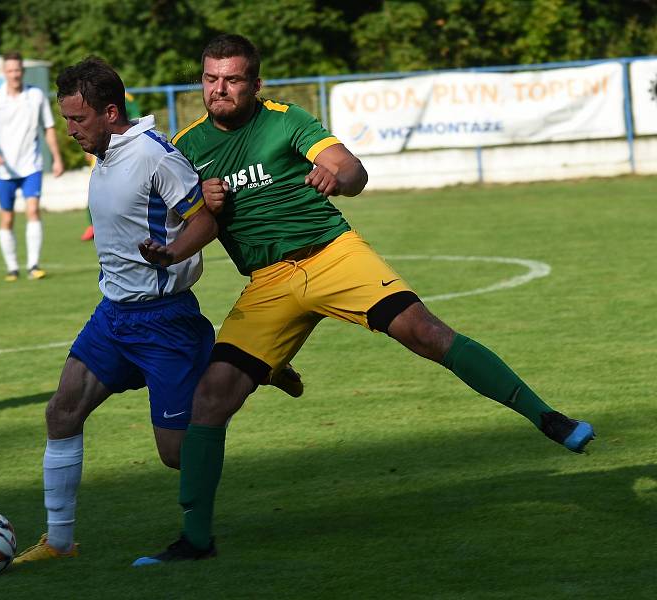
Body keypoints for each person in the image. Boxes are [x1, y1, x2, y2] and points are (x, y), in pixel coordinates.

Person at [133, 34, 596, 565]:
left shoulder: (286, 119)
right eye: (212, 79)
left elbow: (352, 168)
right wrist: (170, 253)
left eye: (233, 79)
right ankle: (195, 540)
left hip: (332, 256)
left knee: (427, 333)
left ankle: (548, 418)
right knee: (210, 401)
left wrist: (338, 176)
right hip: (267, 283)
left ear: (255, 84)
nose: (221, 89)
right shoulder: (189, 145)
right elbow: (205, 221)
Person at [11, 56, 219, 564]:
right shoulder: (105, 153)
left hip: (166, 321)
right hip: (114, 316)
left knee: (175, 455)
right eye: (65, 120)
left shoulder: (154, 155)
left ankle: (240, 367)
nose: (70, 130)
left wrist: (172, 253)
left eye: (78, 120)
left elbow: (207, 219)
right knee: (62, 412)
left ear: (110, 112)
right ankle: (59, 543)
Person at [0, 51, 64, 281]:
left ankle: (33, 265)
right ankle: (12, 268)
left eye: (17, 70)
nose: (14, 74)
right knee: (7, 219)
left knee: (33, 210)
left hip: (31, 165)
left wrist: (56, 157)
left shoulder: (35, 96)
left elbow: (48, 128)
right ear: (4, 73)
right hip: (3, 170)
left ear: (22, 71)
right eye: (10, 71)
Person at [80, 91, 141, 242]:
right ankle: (93, 225)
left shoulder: (126, 97)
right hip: (101, 147)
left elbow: (133, 117)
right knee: (96, 188)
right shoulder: (90, 97)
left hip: (122, 147)